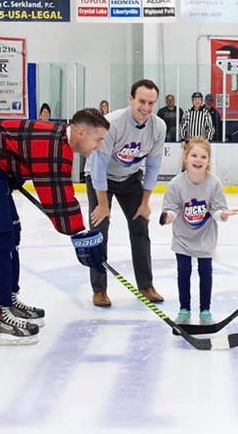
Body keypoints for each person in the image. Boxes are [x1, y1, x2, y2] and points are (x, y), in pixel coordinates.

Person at [0, 108, 110, 345]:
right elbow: (58, 199)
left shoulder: (58, 141)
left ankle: (9, 299)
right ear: (81, 132)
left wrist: (10, 170)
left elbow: (16, 150)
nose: (98, 146)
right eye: (98, 140)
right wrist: (82, 236)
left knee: (12, 232)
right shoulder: (56, 147)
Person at [84, 79, 167, 307]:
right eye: (142, 101)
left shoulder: (158, 127)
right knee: (99, 229)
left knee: (140, 224)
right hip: (100, 179)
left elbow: (153, 166)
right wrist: (102, 204)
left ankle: (146, 286)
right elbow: (99, 166)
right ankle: (99, 289)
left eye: (151, 103)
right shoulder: (111, 124)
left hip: (130, 178)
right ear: (131, 99)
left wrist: (146, 202)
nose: (146, 108)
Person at [160, 137, 238, 325]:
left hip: (205, 237)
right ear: (186, 158)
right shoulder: (176, 184)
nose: (198, 159)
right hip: (183, 238)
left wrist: (223, 214)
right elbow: (171, 207)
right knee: (184, 271)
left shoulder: (214, 183)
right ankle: (184, 309)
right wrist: (169, 216)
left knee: (205, 272)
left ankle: (205, 311)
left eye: (203, 156)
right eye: (194, 155)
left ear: (208, 161)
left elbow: (217, 209)